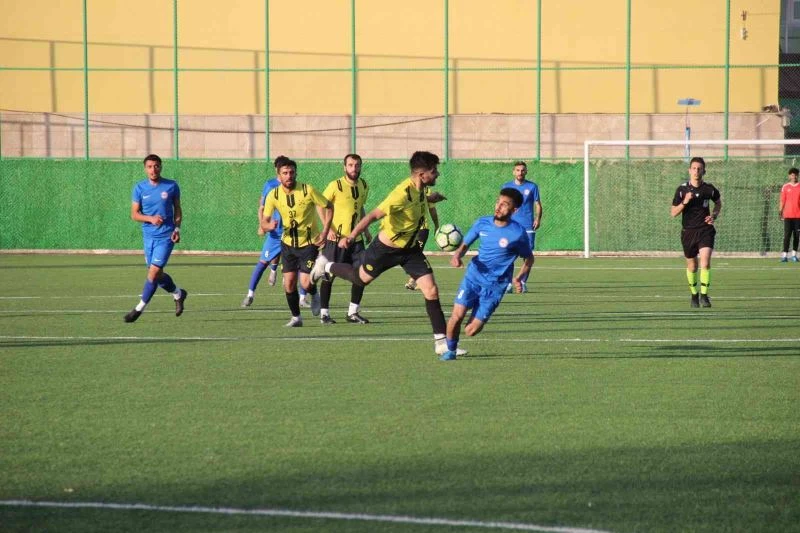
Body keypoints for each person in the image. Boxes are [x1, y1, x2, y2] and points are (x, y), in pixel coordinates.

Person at [311, 151, 450, 355]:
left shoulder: (421, 188)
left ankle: (441, 343)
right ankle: (326, 265)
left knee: (431, 290)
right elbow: (374, 214)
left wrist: (433, 197)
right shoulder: (400, 194)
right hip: (386, 249)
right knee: (360, 279)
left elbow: (419, 200)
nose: (437, 174)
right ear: (422, 174)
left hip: (410, 250)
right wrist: (352, 236)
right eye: (434, 170)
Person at [439, 188, 533, 361]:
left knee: (470, 331)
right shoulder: (482, 223)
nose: (498, 207)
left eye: (505, 205)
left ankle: (478, 315)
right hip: (473, 278)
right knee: (456, 316)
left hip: (495, 287)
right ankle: (450, 350)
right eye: (498, 202)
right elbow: (465, 244)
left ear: (514, 210)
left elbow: (529, 259)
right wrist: (457, 256)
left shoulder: (518, 233)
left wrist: (519, 278)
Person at [262, 158, 333, 327]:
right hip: (287, 244)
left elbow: (329, 206)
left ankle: (314, 294)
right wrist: (268, 225)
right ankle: (296, 318)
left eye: (292, 172)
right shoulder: (273, 195)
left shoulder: (307, 190)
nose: (289, 176)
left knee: (305, 282)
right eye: (285, 173)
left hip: (308, 244)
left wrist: (325, 230)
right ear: (278, 175)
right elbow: (264, 221)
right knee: (289, 283)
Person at [124, 154, 188, 322]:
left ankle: (139, 309)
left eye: (157, 166)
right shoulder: (139, 188)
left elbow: (178, 210)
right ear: (145, 169)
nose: (153, 170)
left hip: (166, 236)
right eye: (150, 167)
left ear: (161, 167)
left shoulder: (171, 186)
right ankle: (178, 294)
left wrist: (177, 229)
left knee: (153, 273)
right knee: (157, 274)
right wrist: (150, 219)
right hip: (148, 237)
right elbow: (134, 214)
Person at [318, 154, 371, 324]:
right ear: (344, 167)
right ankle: (324, 314)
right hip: (336, 240)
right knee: (328, 275)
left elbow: (360, 208)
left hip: (356, 240)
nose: (353, 169)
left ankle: (352, 313)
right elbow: (320, 205)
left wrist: (366, 230)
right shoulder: (336, 185)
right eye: (350, 165)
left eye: (357, 165)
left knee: (362, 275)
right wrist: (329, 229)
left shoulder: (363, 185)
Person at [670, 156, 722, 308]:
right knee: (692, 266)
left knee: (705, 263)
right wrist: (685, 201)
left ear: (704, 171)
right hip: (688, 232)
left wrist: (714, 215)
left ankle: (704, 296)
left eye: (699, 168)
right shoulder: (682, 190)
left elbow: (718, 203)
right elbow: (673, 212)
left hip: (705, 230)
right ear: (689, 170)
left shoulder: (709, 189)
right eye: (694, 168)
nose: (696, 171)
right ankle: (694, 295)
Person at [241, 155, 289, 308]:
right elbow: (261, 207)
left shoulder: (295, 186)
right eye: (283, 170)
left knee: (298, 266)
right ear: (277, 170)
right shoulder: (270, 185)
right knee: (262, 262)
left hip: (292, 233)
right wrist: (262, 225)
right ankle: (250, 294)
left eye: (289, 171)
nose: (287, 174)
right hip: (275, 232)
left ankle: (302, 298)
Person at [501, 161, 541, 293]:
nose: (520, 172)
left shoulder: (532, 186)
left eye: (523, 170)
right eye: (517, 170)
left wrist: (537, 218)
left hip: (527, 226)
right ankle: (508, 283)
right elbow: (501, 204)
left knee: (528, 256)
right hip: (510, 225)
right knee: (508, 255)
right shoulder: (507, 186)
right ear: (514, 172)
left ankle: (522, 282)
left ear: (526, 172)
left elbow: (538, 204)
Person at [404, 187, 446, 291]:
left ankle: (414, 281)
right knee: (412, 253)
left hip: (423, 228)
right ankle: (419, 278)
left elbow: (432, 210)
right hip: (410, 228)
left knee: (417, 253)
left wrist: (436, 225)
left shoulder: (427, 190)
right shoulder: (408, 189)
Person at [779, 167, 800, 263]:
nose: (794, 176)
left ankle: (794, 255)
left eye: (795, 174)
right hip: (787, 215)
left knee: (796, 235)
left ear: (797, 176)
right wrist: (780, 212)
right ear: (789, 176)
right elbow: (782, 200)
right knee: (787, 235)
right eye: (792, 174)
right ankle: (784, 256)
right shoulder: (785, 187)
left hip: (798, 216)